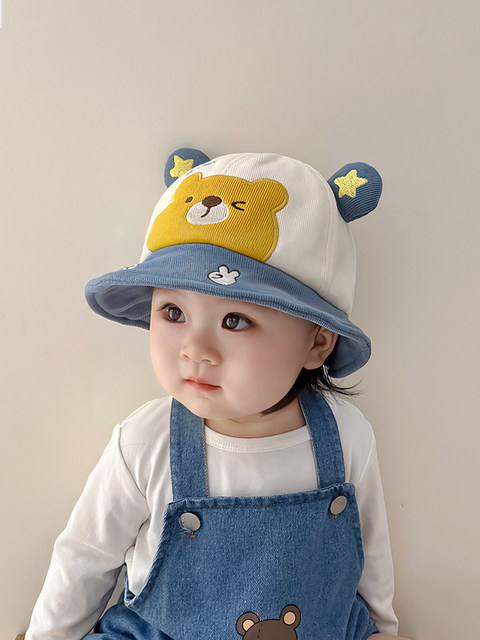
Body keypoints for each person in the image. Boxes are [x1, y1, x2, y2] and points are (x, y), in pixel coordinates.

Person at [24, 149, 412, 640]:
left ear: (317, 341)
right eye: (173, 313)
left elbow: (369, 552)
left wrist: (383, 628)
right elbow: (84, 557)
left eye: (235, 320)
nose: (195, 349)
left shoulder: (346, 437)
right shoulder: (146, 442)